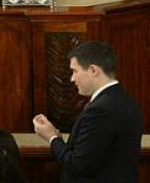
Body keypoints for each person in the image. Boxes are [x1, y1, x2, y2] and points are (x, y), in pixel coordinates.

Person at [32, 41, 142, 183]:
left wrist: (51, 138)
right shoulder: (127, 102)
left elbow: (79, 165)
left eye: (75, 71)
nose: (72, 78)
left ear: (93, 70)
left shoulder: (101, 109)